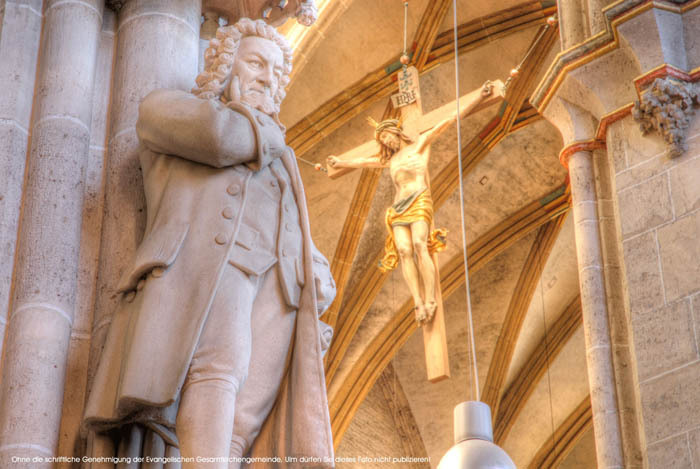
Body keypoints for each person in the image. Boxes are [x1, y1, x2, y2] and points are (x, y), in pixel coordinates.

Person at [82, 18, 336, 468]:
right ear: (225, 64)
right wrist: (265, 128)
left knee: (245, 421)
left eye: (276, 72)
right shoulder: (169, 109)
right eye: (255, 63)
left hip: (278, 290)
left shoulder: (279, 156)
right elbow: (221, 140)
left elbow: (292, 220)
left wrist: (315, 269)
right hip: (215, 269)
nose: (267, 78)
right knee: (218, 370)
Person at [327, 81, 493, 325]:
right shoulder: (390, 161)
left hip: (418, 199)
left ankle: (430, 299)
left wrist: (479, 96)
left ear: (396, 132)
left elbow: (449, 120)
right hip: (398, 208)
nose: (386, 141)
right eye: (383, 140)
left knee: (418, 244)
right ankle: (418, 302)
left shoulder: (419, 146)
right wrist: (340, 162)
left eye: (387, 136)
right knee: (404, 251)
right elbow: (362, 162)